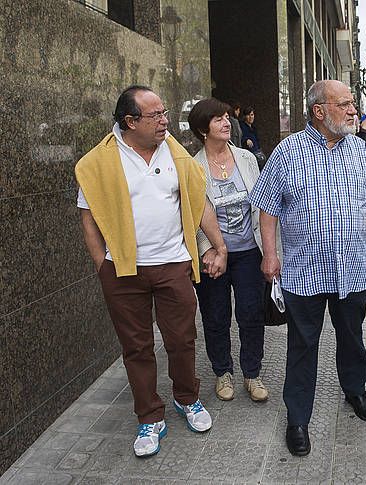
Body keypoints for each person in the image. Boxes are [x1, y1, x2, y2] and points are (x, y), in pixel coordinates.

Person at [249, 80, 366, 457]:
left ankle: (355, 390)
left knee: (353, 337)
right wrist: (270, 254)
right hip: (304, 271)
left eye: (354, 104)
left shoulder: (363, 153)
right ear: (320, 111)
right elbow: (267, 209)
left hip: (351, 269)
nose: (354, 111)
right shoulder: (287, 152)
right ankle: (298, 418)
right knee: (303, 346)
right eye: (345, 104)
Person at [75, 85, 228, 457]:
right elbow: (88, 216)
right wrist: (102, 266)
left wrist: (219, 246)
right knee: (137, 347)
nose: (165, 121)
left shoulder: (176, 156)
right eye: (155, 115)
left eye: (164, 112)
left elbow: (199, 203)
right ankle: (149, 416)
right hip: (123, 271)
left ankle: (187, 398)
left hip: (173, 264)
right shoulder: (99, 162)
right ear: (130, 121)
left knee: (181, 339)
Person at [187, 98, 269, 404]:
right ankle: (223, 372)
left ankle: (252, 372)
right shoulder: (193, 167)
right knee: (215, 315)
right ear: (202, 129)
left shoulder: (246, 158)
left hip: (249, 251)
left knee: (251, 313)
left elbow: (261, 204)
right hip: (212, 255)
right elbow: (190, 215)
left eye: (225, 117)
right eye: (217, 119)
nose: (225, 123)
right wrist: (207, 249)